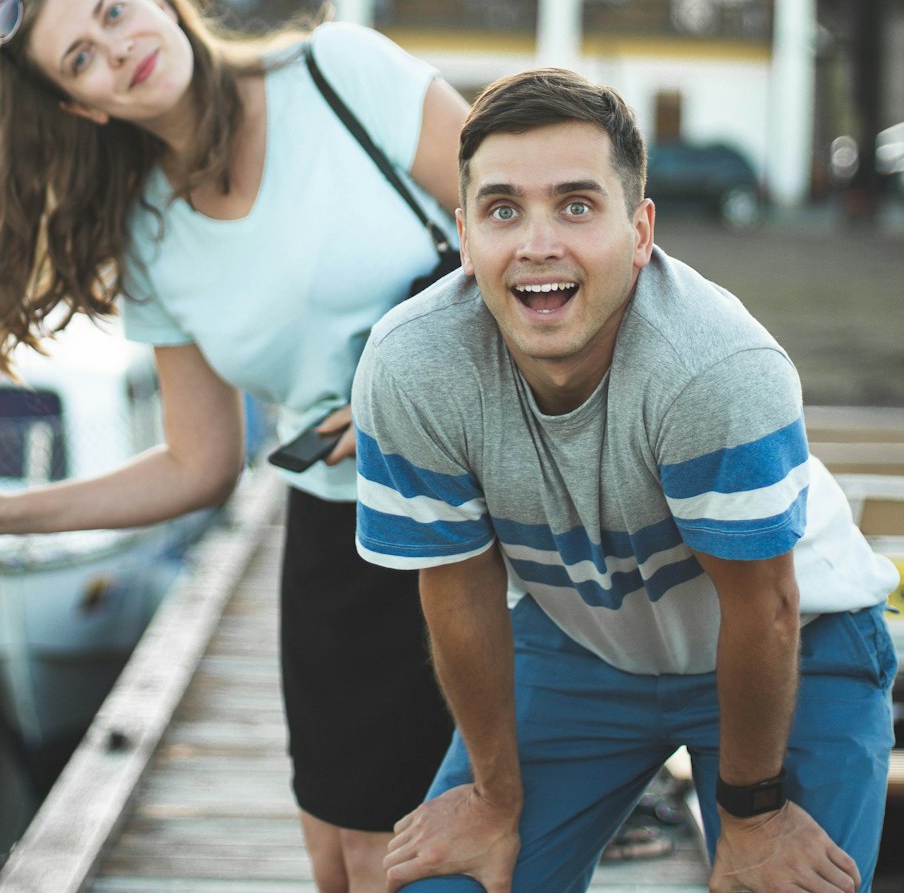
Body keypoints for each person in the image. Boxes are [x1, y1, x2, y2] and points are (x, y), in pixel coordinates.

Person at [0, 0, 468, 893]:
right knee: (336, 859)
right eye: (81, 59)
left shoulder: (340, 71)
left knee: (406, 864)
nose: (115, 49)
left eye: (113, 14)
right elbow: (198, 463)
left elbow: (526, 230)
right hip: (337, 525)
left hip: (473, 502)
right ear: (85, 105)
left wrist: (401, 385)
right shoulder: (149, 233)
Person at [352, 67, 899, 893]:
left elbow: (767, 607)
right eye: (504, 210)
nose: (538, 242)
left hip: (795, 642)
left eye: (576, 205)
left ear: (640, 231)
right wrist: (494, 799)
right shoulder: (412, 366)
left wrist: (751, 816)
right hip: (584, 639)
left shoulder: (716, 367)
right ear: (464, 237)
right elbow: (458, 589)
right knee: (447, 885)